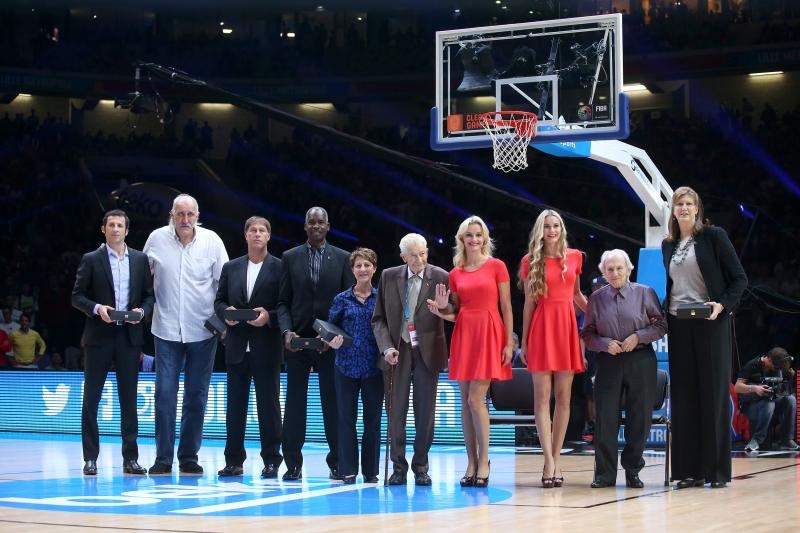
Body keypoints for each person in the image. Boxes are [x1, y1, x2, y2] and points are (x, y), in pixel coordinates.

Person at [662, 186, 747, 489]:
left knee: (712, 396)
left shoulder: (714, 237)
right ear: (673, 210)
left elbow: (740, 279)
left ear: (697, 208)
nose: (683, 208)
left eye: (688, 203)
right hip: (679, 322)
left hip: (711, 321)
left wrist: (722, 305)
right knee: (684, 398)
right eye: (678, 204)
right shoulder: (668, 244)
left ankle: (716, 473)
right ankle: (689, 471)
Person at [144, 193, 229, 475]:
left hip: (203, 331)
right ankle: (163, 458)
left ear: (197, 215)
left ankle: (189, 456)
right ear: (171, 215)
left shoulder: (212, 241)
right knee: (164, 395)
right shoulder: (155, 239)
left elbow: (225, 283)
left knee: (197, 395)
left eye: (190, 214)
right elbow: (143, 279)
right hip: (166, 329)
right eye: (180, 214)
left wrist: (223, 321)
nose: (185, 220)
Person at [429, 216, 513, 487]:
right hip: (465, 334)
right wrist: (441, 309)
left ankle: (485, 459)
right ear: (462, 239)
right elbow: (456, 312)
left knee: (476, 399)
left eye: (479, 235)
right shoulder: (455, 273)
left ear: (484, 238)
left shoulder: (497, 266)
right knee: (467, 401)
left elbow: (507, 308)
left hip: (490, 332)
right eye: (469, 235)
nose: (474, 239)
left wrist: (509, 343)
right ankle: (472, 461)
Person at [71, 209, 155, 476]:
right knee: (91, 400)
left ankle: (130, 458)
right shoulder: (91, 259)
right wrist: (97, 309)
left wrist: (142, 313)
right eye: (111, 225)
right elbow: (77, 296)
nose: (116, 229)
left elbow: (149, 297)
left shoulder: (141, 260)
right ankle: (90, 458)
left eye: (120, 225)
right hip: (99, 337)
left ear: (127, 231)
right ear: (103, 229)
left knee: (129, 401)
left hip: (129, 337)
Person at [277, 207, 354, 481]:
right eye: (312, 221)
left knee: (333, 405)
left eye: (321, 221)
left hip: (329, 345)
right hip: (298, 342)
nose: (316, 225)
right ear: (305, 226)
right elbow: (282, 302)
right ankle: (293, 464)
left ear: (328, 226)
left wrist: (336, 338)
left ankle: (337, 463)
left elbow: (348, 303)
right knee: (295, 405)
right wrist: (286, 331)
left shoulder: (344, 258)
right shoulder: (289, 257)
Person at [581, 249, 667, 488]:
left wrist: (638, 337)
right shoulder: (596, 299)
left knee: (639, 419)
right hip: (609, 361)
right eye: (610, 269)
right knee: (606, 419)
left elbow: (661, 325)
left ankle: (632, 471)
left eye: (620, 268)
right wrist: (604, 344)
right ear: (604, 273)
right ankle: (605, 475)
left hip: (640, 359)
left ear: (629, 269)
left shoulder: (645, 293)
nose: (615, 273)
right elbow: (587, 334)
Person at [371, 233, 449, 486]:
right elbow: (379, 319)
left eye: (423, 253)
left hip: (427, 351)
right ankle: (398, 467)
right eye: (414, 255)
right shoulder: (388, 276)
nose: (420, 259)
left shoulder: (441, 276)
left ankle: (421, 466)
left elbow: (454, 314)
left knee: (425, 414)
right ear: (403, 255)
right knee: (396, 412)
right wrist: (386, 348)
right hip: (398, 350)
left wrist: (445, 308)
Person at [518, 209, 587, 488]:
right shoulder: (529, 261)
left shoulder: (575, 257)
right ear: (540, 230)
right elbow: (529, 305)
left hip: (567, 329)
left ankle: (556, 459)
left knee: (564, 398)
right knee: (542, 398)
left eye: (556, 225)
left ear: (562, 228)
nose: (552, 230)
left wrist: (600, 317)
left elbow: (576, 294)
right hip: (542, 329)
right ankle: (548, 462)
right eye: (547, 226)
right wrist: (523, 341)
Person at [215, 216, 284, 478]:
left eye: (262, 230)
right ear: (245, 235)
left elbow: (284, 306)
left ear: (268, 236)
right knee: (235, 408)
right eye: (252, 230)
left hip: (265, 346)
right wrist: (226, 312)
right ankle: (234, 461)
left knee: (269, 407)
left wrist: (269, 317)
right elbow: (219, 301)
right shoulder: (231, 267)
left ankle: (271, 461)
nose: (257, 234)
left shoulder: (279, 267)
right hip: (236, 347)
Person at [323, 248, 383, 484]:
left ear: (374, 268)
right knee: (346, 419)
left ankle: (370, 471)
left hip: (373, 368)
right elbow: (329, 330)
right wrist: (332, 341)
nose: (363, 269)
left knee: (372, 420)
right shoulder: (341, 299)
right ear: (352, 270)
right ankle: (347, 469)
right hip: (345, 366)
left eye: (367, 265)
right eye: (358, 266)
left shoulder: (382, 298)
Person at [734, 347, 798, 452]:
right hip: (751, 406)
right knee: (769, 404)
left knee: (790, 400)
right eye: (775, 366)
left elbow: (779, 388)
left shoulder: (777, 367)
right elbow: (737, 387)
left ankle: (787, 439)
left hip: (769, 402)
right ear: (768, 359)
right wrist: (755, 388)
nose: (776, 369)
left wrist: (789, 376)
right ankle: (756, 440)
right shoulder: (752, 365)